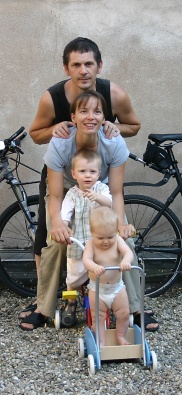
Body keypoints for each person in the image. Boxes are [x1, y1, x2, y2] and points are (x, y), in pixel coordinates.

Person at [19, 37, 158, 331]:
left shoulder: (112, 135)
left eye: (89, 64)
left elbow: (117, 191)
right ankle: (43, 308)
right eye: (76, 64)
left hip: (101, 189)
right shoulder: (59, 137)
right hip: (66, 186)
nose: (83, 70)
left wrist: (119, 223)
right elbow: (55, 194)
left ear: (99, 65)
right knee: (54, 241)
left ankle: (134, 309)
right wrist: (58, 222)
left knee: (124, 241)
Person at [61, 149, 112, 326]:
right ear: (74, 174)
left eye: (92, 171)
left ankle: (105, 304)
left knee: (103, 275)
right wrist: (65, 226)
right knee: (73, 278)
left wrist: (98, 197)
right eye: (83, 171)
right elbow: (65, 214)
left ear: (99, 173)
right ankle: (71, 303)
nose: (88, 176)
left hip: (99, 244)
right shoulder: (72, 194)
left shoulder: (102, 189)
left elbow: (110, 203)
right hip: (79, 244)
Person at [83, 206, 134, 346]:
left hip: (117, 288)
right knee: (97, 317)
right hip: (97, 289)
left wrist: (125, 261)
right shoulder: (90, 244)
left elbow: (128, 253)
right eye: (100, 238)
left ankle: (120, 336)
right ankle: (100, 341)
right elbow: (86, 260)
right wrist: (94, 267)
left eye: (110, 236)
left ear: (115, 232)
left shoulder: (117, 240)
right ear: (92, 233)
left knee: (124, 313)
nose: (106, 241)